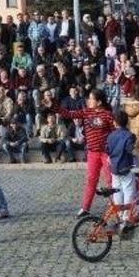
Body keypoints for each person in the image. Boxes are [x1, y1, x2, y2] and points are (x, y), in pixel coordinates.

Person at [54, 89, 115, 218]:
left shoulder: (108, 115)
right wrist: (53, 106)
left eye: (91, 99)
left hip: (106, 153)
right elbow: (69, 114)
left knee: (111, 180)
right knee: (91, 180)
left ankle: (115, 205)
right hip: (92, 153)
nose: (88, 101)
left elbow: (114, 133)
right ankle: (85, 207)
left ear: (98, 102)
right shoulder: (86, 112)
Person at [106, 111, 137, 229]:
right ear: (127, 122)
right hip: (126, 168)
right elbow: (130, 150)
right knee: (129, 191)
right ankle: (126, 217)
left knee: (117, 191)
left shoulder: (110, 136)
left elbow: (107, 150)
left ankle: (118, 214)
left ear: (114, 123)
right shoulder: (129, 135)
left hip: (114, 168)